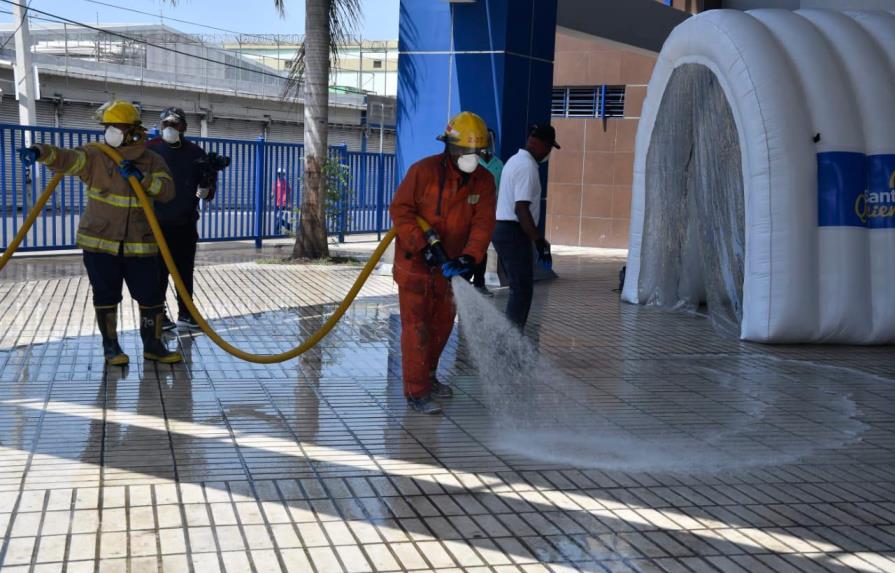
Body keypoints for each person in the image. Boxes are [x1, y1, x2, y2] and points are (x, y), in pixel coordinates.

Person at [18, 100, 182, 365]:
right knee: (106, 295)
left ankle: (153, 345)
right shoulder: (96, 155)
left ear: (132, 130)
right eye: (108, 127)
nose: (110, 132)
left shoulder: (152, 160)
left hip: (141, 244)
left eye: (115, 127)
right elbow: (67, 158)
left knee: (151, 296)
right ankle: (111, 347)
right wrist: (40, 152)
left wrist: (144, 179)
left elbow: (167, 192)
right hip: (100, 244)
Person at [390, 111, 497, 415]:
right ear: (450, 148)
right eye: (464, 151)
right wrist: (423, 245)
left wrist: (469, 256)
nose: (469, 158)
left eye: (475, 153)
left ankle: (429, 376)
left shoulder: (484, 181)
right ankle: (416, 391)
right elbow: (401, 211)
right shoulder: (422, 172)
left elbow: (483, 223)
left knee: (441, 327)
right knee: (417, 329)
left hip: (451, 270)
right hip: (416, 266)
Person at [147, 107, 217, 331]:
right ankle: (159, 314)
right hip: (156, 225)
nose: (169, 128)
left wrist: (206, 187)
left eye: (174, 124)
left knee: (184, 271)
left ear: (184, 127)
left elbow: (207, 192)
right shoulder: (149, 150)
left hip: (185, 223)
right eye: (165, 124)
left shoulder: (196, 153)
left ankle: (186, 312)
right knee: (157, 273)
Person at [491, 123, 559, 329]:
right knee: (521, 289)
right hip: (513, 232)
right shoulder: (527, 167)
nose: (548, 153)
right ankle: (512, 341)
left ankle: (511, 336)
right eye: (549, 148)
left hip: (504, 230)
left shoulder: (514, 160)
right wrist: (538, 241)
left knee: (518, 287)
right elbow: (521, 209)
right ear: (539, 145)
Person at [471, 129, 504, 296]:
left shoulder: (498, 165)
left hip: (488, 213)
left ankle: (479, 283)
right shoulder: (472, 163)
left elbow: (501, 190)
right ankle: (464, 280)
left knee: (481, 248)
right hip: (470, 213)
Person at [274, 168, 292, 233]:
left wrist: (289, 203)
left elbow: (289, 193)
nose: (279, 175)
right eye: (279, 174)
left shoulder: (286, 183)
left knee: (279, 218)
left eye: (281, 174)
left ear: (283, 174)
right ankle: (288, 226)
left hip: (283, 203)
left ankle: (276, 232)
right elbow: (273, 192)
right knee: (278, 218)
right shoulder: (276, 183)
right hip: (277, 203)